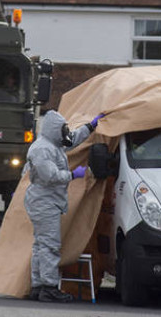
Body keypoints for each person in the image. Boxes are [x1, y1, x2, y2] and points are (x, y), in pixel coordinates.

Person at [23, 110, 105, 303]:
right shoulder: (42, 149)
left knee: (40, 245)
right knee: (50, 245)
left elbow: (73, 139)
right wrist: (72, 175)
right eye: (63, 130)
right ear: (54, 130)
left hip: (47, 201)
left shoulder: (55, 145)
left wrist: (90, 127)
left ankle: (38, 286)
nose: (66, 133)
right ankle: (49, 287)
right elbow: (50, 176)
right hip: (44, 201)